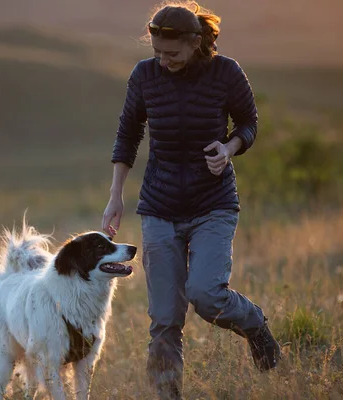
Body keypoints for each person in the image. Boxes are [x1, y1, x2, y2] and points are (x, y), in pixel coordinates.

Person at [101, 1, 281, 398]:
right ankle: (168, 394)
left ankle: (254, 326)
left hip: (212, 204)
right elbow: (127, 134)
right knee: (164, 318)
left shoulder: (226, 72)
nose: (164, 61)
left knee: (205, 294)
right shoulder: (144, 76)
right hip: (159, 206)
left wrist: (230, 147)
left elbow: (249, 122)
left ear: (196, 42)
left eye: (173, 54)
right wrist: (116, 195)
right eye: (157, 53)